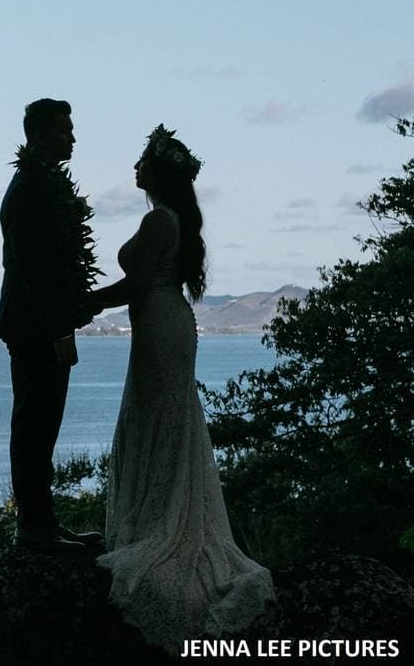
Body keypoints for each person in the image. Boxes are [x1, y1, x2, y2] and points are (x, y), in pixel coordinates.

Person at [88, 125, 275, 651]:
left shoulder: (157, 220)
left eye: (142, 160)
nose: (135, 168)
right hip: (164, 325)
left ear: (159, 172)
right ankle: (156, 519)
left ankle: (159, 531)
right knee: (163, 416)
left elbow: (136, 285)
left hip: (160, 328)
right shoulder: (174, 220)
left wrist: (84, 303)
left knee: (158, 417)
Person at [0, 99, 102, 552]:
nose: (73, 138)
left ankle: (45, 522)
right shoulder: (32, 188)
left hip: (39, 324)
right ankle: (35, 528)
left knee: (43, 427)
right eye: (64, 131)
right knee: (34, 427)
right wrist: (61, 332)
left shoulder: (40, 183)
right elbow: (37, 272)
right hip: (35, 327)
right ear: (38, 135)